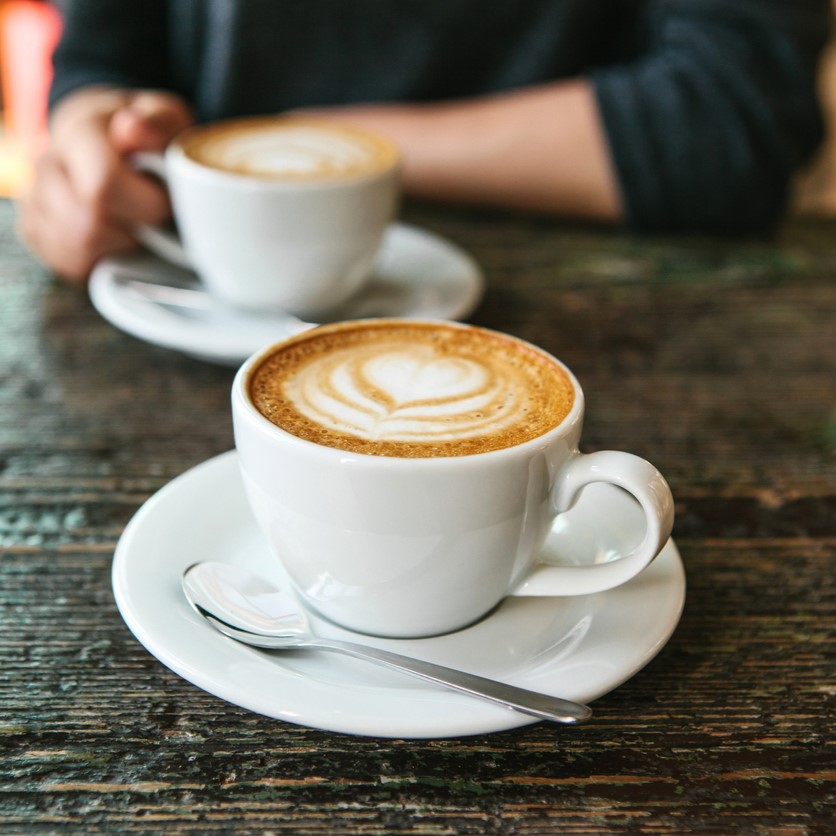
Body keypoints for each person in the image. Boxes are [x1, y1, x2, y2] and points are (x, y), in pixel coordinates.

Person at [17, 0, 830, 284]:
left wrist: (316, 150)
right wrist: (92, 139)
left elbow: (735, 118)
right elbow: (103, 55)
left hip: (592, 301)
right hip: (187, 296)